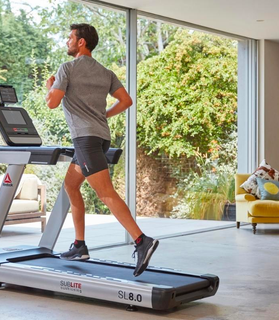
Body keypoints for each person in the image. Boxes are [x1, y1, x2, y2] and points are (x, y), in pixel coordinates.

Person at [45, 23, 159, 277]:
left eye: (70, 37)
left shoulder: (67, 68)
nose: (67, 41)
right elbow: (126, 101)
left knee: (106, 193)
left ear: (81, 42)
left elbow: (52, 102)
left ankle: (142, 241)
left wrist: (50, 86)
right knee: (71, 185)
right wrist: (102, 116)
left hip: (85, 140)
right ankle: (79, 245)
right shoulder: (105, 72)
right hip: (100, 138)